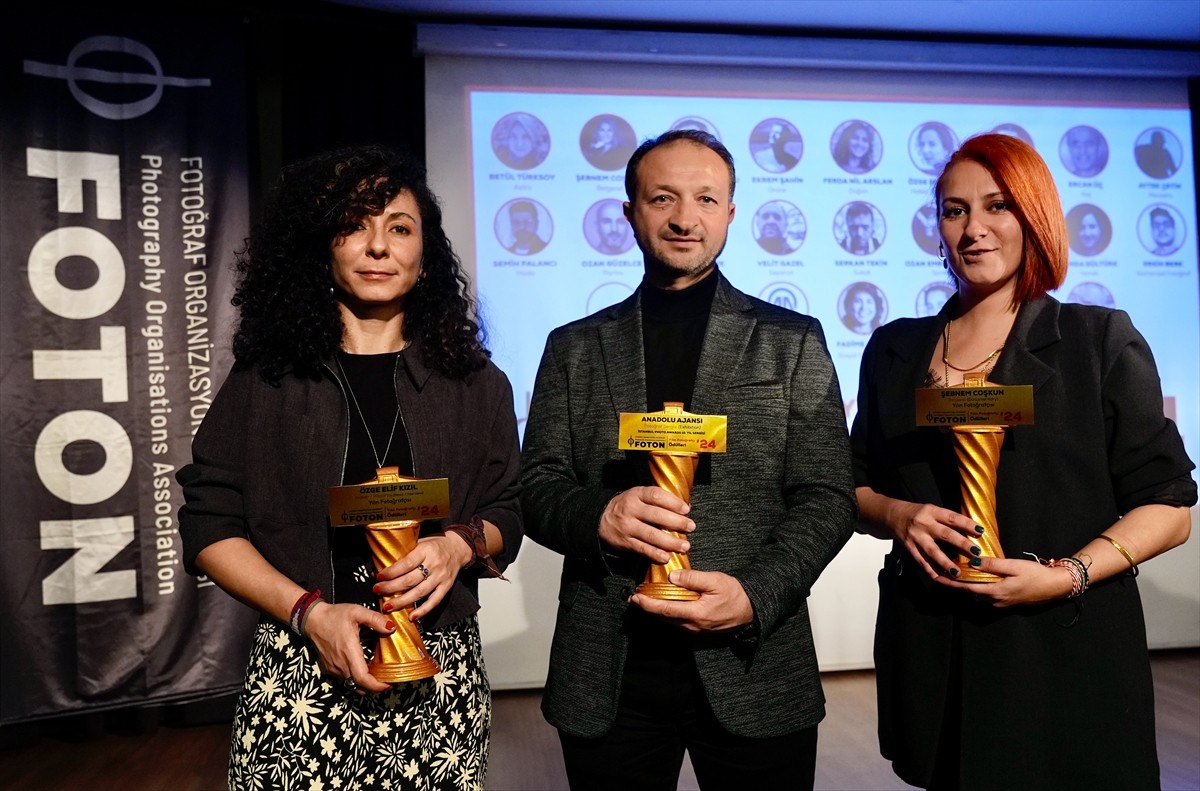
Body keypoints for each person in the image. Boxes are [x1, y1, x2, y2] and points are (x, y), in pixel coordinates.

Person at [851, 133, 1195, 790]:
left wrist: (1066, 574)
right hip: (933, 653)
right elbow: (852, 483)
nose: (973, 229)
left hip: (1063, 654)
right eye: (954, 211)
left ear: (1033, 215)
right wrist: (899, 514)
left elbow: (1169, 507)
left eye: (996, 206)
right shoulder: (894, 351)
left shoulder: (1096, 342)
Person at [177, 145, 523, 790]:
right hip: (299, 668)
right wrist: (309, 614)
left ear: (425, 258)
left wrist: (456, 548)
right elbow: (208, 522)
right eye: (353, 225)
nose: (377, 247)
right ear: (324, 249)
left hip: (438, 675)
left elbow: (508, 509)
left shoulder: (477, 385)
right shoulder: (267, 383)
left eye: (399, 227)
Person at [520, 129, 857, 791]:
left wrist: (753, 595)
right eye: (663, 197)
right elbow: (535, 486)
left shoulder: (791, 341)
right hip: (610, 667)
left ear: (730, 211)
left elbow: (829, 493)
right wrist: (600, 515)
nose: (683, 217)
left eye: (706, 198)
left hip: (753, 658)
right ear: (629, 212)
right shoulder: (575, 348)